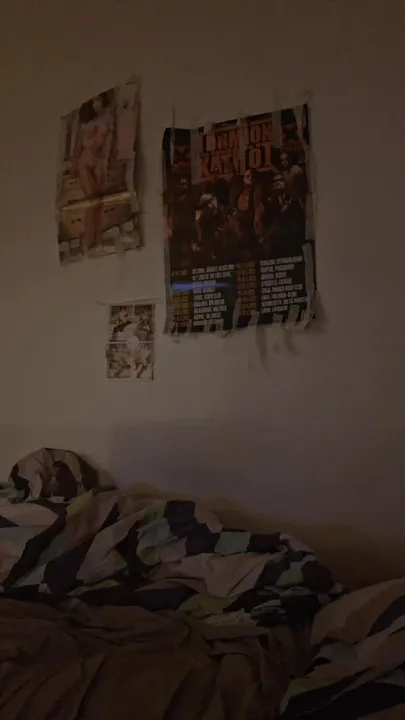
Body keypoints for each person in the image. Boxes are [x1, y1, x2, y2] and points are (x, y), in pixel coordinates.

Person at [71, 92, 114, 253]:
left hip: (99, 162)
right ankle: (87, 241)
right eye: (94, 101)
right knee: (92, 201)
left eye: (99, 100)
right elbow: (77, 149)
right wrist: (73, 168)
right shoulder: (85, 125)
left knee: (99, 202)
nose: (97, 103)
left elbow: (108, 144)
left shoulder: (108, 119)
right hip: (85, 163)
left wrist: (106, 163)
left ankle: (97, 239)